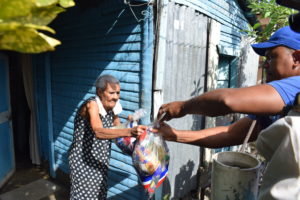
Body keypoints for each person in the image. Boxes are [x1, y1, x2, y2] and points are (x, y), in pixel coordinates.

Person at [156, 25, 300, 149]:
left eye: (271, 57)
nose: (265, 64)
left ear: (296, 59)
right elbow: (230, 133)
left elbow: (227, 100)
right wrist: (174, 135)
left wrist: (182, 107)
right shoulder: (280, 103)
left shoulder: (297, 86)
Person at [68, 74, 147, 200]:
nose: (115, 97)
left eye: (118, 93)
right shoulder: (91, 105)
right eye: (111, 93)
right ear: (100, 92)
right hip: (83, 161)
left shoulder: (112, 105)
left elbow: (117, 130)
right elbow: (99, 132)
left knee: (99, 194)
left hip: (100, 159)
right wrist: (129, 131)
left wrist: (129, 124)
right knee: (83, 196)